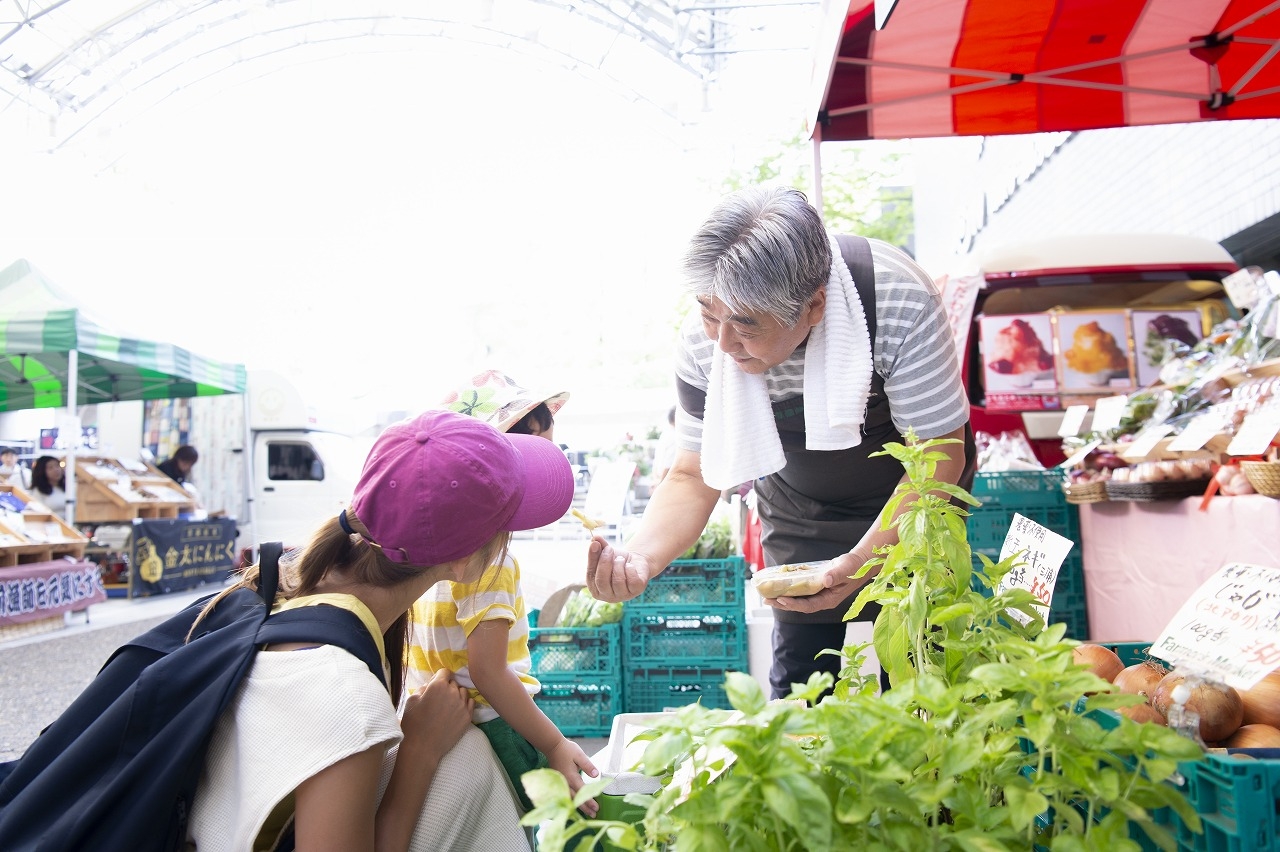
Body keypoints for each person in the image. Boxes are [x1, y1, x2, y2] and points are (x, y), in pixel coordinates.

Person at [585, 185, 975, 699]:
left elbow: (938, 454)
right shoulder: (706, 344)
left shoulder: (897, 299)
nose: (722, 343)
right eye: (708, 314)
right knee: (805, 686)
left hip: (913, 498)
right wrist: (640, 558)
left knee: (924, 666)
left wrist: (859, 564)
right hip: (800, 507)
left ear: (814, 306)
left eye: (745, 324)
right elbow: (690, 475)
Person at [186, 409, 580, 851]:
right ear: (466, 563)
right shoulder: (344, 693)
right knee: (467, 760)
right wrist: (419, 752)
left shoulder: (284, 587)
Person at [411, 370, 598, 816]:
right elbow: (489, 672)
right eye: (548, 449)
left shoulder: (430, 548)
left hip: (433, 719)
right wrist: (553, 743)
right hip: (498, 728)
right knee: (517, 831)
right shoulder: (491, 560)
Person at [652, 406, 678, 485]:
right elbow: (668, 465)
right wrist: (659, 485)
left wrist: (655, 480)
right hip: (665, 482)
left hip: (659, 478)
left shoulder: (665, 434)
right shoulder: (675, 437)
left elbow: (656, 460)